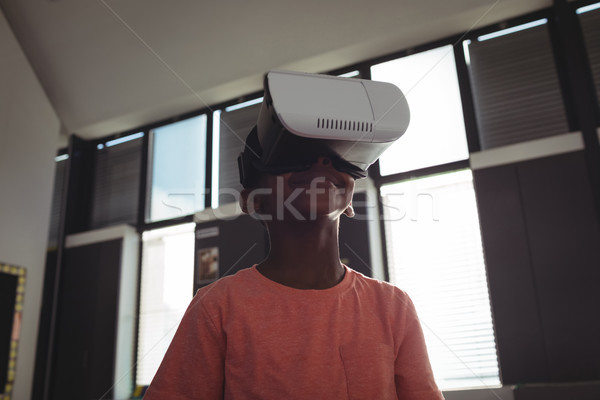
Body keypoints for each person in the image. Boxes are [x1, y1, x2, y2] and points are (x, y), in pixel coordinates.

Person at [144, 74, 443, 400]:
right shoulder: (217, 309)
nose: (321, 161)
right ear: (253, 200)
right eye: (295, 153)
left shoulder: (393, 307)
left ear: (350, 197)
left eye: (334, 154)